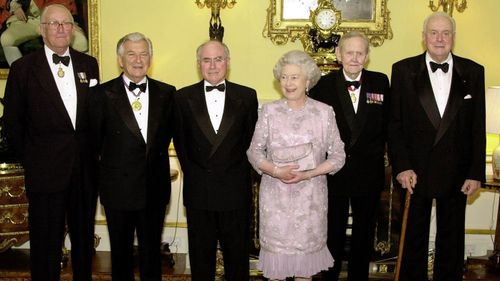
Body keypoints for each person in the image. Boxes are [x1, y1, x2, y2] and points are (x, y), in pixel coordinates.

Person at [3, 4, 99, 281]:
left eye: (66, 23)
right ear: (42, 30)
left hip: (83, 172)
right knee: (45, 245)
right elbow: (13, 122)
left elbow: (94, 116)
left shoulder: (87, 64)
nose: (60, 28)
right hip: (45, 173)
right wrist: (33, 159)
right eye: (54, 24)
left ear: (73, 28)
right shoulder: (23, 68)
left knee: (83, 244)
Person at [388, 12, 485, 281]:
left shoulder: (474, 71)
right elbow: (394, 125)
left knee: (451, 240)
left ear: (453, 37)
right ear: (424, 37)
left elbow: (478, 126)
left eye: (445, 33)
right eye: (433, 32)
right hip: (415, 172)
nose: (439, 39)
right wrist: (402, 166)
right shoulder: (403, 70)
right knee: (412, 239)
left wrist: (475, 171)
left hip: (457, 171)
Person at [247, 50, 346, 281]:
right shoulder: (269, 112)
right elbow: (253, 151)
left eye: (294, 77)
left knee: (304, 273)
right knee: (276, 272)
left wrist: (308, 174)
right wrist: (275, 170)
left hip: (311, 201)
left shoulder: (324, 113)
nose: (288, 83)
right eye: (284, 77)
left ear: (308, 81)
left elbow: (338, 156)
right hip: (276, 200)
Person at [87, 32, 176, 281]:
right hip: (118, 190)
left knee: (152, 257)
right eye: (131, 54)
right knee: (121, 257)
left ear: (151, 58)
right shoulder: (100, 96)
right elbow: (92, 146)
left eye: (143, 53)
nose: (138, 59)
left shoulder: (168, 94)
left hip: (154, 189)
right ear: (120, 60)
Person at [173, 39, 258, 281]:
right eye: (207, 60)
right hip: (200, 192)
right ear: (199, 64)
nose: (213, 65)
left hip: (235, 192)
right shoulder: (182, 98)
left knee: (237, 260)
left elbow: (252, 144)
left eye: (218, 59)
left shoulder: (247, 96)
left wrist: (239, 178)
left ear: (228, 63)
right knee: (201, 261)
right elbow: (181, 145)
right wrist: (198, 178)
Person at [309, 31, 390, 281]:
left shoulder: (380, 82)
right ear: (338, 54)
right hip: (334, 174)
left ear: (367, 56)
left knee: (364, 235)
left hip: (369, 173)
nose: (354, 58)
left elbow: (389, 126)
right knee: (332, 234)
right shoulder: (321, 86)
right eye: (349, 52)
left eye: (360, 53)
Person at [1, 0, 88, 66]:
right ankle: (21, 78)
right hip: (29, 18)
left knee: (81, 42)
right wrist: (12, 3)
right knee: (7, 39)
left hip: (56, 15)